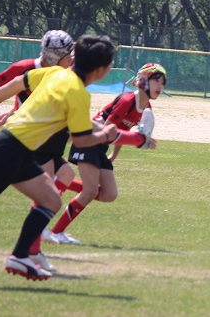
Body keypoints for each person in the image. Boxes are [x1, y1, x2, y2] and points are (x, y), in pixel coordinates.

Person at [0, 35, 120, 281]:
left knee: (51, 200)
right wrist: (105, 135)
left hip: (17, 151)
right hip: (8, 151)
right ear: (101, 70)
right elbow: (81, 140)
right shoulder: (79, 93)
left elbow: (17, 83)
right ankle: (21, 255)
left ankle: (20, 256)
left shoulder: (55, 73)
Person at [0, 30, 79, 271]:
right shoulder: (28, 68)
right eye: (68, 53)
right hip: (26, 141)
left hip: (41, 139)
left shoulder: (64, 74)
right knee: (48, 195)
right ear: (59, 56)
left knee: (62, 179)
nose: (72, 58)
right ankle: (32, 250)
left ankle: (32, 248)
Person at [48, 63, 162, 244]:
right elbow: (107, 130)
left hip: (101, 146)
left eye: (163, 83)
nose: (160, 86)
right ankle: (57, 232)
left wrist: (115, 154)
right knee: (90, 191)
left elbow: (122, 130)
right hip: (90, 141)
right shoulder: (127, 100)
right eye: (157, 81)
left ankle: (63, 182)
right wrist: (137, 139)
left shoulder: (146, 107)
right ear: (143, 81)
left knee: (110, 194)